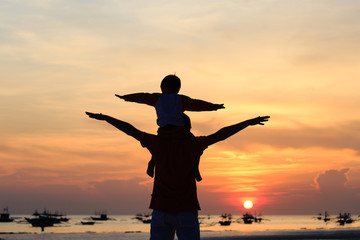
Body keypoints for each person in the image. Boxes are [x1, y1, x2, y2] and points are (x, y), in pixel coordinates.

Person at [85, 111, 269, 240]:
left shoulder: (157, 143)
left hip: (161, 210)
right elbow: (221, 134)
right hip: (186, 211)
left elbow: (130, 130)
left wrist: (106, 118)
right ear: (186, 127)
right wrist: (247, 122)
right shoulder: (193, 144)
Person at [116, 74, 225, 181]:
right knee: (192, 144)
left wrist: (126, 97)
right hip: (179, 131)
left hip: (163, 131)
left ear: (162, 87)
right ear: (178, 89)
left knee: (158, 145)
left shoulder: (157, 98)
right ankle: (195, 167)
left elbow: (142, 97)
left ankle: (152, 162)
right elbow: (196, 104)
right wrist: (214, 107)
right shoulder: (180, 99)